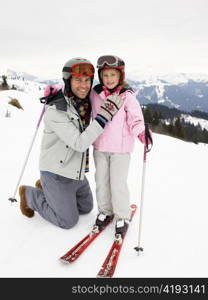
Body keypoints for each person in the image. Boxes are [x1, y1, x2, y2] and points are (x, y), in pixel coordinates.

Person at [19, 57, 124, 229]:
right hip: (56, 172)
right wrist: (103, 117)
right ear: (68, 81)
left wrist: (122, 88)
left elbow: (105, 90)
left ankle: (48, 191)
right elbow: (79, 143)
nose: (84, 85)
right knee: (68, 221)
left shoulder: (84, 101)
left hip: (75, 171)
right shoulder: (56, 111)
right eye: (78, 80)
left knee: (86, 207)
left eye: (87, 80)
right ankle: (30, 195)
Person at [90, 55, 153, 237]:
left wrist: (141, 132)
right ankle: (105, 211)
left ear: (120, 76)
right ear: (101, 76)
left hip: (121, 150)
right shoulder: (95, 94)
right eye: (105, 75)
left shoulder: (127, 96)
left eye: (112, 75)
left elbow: (135, 119)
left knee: (117, 183)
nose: (109, 79)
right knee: (101, 181)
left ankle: (122, 215)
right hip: (100, 147)